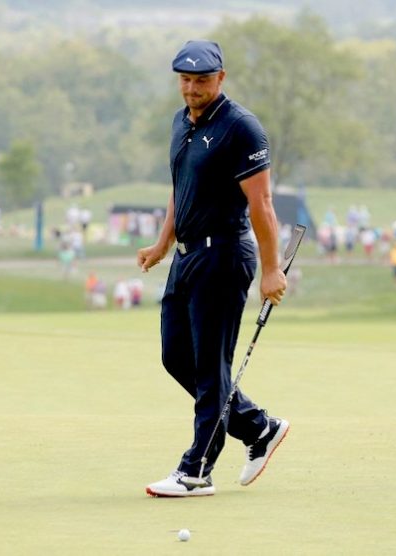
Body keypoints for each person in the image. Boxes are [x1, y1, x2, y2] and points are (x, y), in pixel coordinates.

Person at [137, 40, 288, 497]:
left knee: (210, 365)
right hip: (186, 257)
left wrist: (271, 270)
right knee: (175, 356)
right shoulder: (180, 122)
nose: (192, 88)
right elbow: (179, 187)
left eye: (202, 80)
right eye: (185, 80)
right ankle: (258, 427)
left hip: (223, 256)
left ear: (220, 78)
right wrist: (163, 243)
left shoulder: (240, 128)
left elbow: (260, 204)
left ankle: (197, 469)